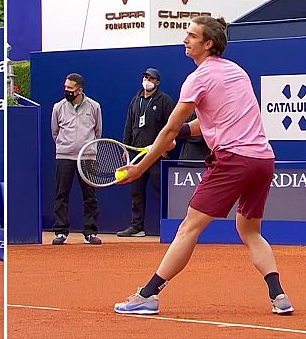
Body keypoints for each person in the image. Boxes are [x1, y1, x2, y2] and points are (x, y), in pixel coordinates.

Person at [113, 16, 293, 315]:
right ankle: (279, 295)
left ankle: (148, 295)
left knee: (188, 228)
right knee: (249, 230)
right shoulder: (237, 72)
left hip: (234, 160)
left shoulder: (198, 78)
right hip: (263, 159)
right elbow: (207, 122)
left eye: (192, 36)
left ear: (208, 44)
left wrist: (140, 168)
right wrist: (181, 134)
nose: (185, 39)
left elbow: (170, 128)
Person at [117, 68, 175, 237]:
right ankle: (137, 227)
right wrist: (125, 147)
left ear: (157, 82)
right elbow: (129, 125)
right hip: (137, 155)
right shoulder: (136, 101)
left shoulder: (165, 101)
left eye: (151, 78)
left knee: (161, 190)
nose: (147, 80)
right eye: (145, 77)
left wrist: (164, 148)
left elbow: (171, 127)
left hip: (157, 154)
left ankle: (168, 226)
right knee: (136, 191)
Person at [51, 73, 103, 245]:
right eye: (65, 87)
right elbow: (55, 132)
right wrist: (65, 146)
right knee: (61, 194)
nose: (67, 90)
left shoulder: (94, 106)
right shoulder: (58, 107)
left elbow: (97, 131)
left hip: (87, 157)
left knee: (90, 195)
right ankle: (60, 231)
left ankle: (90, 232)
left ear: (80, 90)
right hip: (64, 156)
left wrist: (87, 147)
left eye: (70, 88)